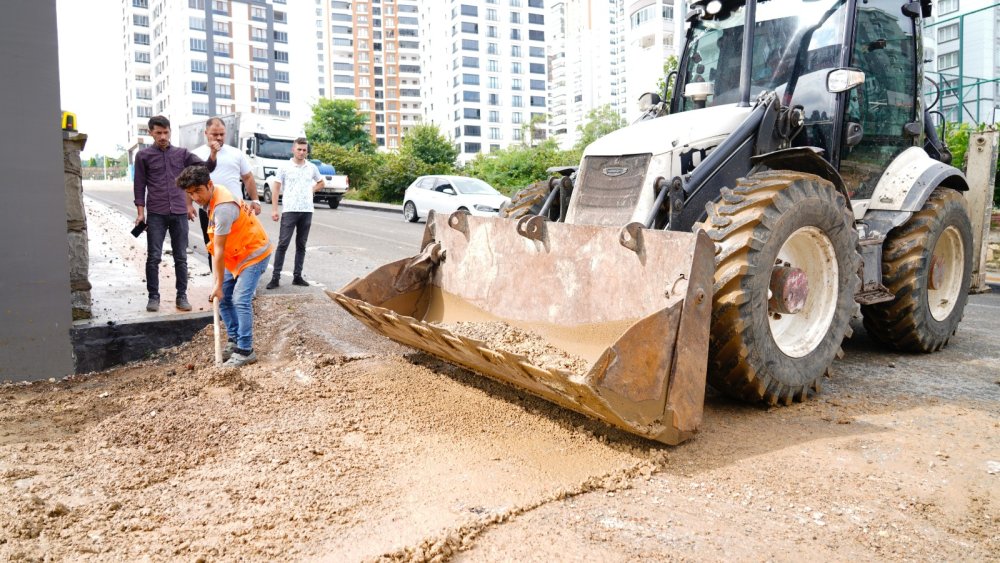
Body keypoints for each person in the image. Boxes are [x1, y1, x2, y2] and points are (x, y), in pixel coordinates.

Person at [176, 165, 272, 368]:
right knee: (224, 298)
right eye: (190, 193)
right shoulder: (212, 197)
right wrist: (219, 286)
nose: (195, 197)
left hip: (253, 254)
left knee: (240, 299)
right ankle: (235, 340)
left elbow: (218, 250)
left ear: (209, 185)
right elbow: (218, 248)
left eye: (198, 191)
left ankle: (246, 350)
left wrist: (218, 284)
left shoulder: (223, 208)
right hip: (235, 255)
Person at [133, 115, 217, 313]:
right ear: (151, 133)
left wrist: (213, 153)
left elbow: (206, 169)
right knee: (153, 257)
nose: (163, 136)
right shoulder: (143, 156)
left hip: (179, 213)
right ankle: (153, 297)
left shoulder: (182, 154)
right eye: (158, 133)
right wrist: (140, 213)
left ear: (170, 131)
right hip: (156, 213)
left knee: (181, 257)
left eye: (166, 132)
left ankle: (182, 296)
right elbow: (139, 185)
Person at [192, 117, 263, 272]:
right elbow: (189, 184)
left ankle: (239, 279)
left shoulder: (236, 153)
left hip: (236, 210)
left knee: (240, 246)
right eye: (214, 134)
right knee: (214, 248)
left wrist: (256, 200)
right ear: (206, 133)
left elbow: (248, 177)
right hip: (208, 211)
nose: (219, 138)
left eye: (222, 134)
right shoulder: (195, 155)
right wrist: (187, 205)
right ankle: (217, 281)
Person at [266, 137, 324, 290]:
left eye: (304, 150)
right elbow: (276, 188)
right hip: (290, 210)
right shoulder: (284, 167)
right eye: (299, 149)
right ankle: (275, 277)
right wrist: (274, 209)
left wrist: (312, 189)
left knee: (301, 245)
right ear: (293, 149)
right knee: (283, 244)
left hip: (307, 210)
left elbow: (321, 182)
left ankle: (297, 276)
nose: (302, 152)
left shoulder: (311, 167)